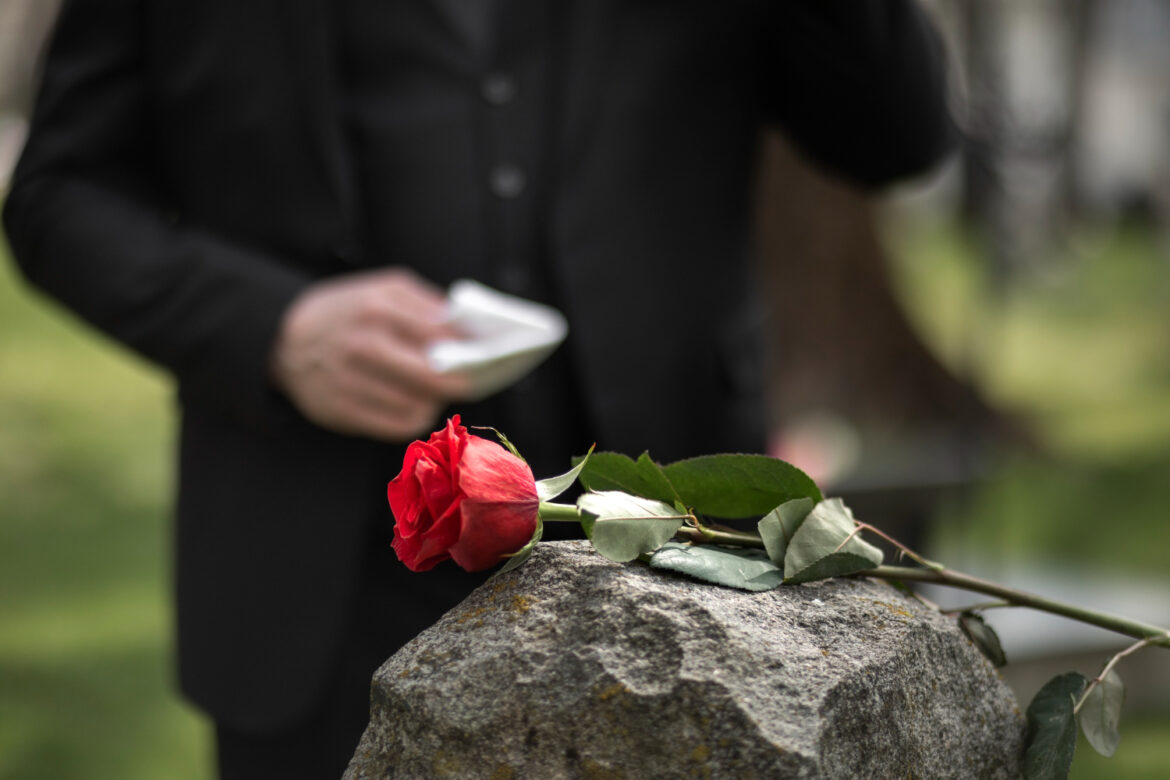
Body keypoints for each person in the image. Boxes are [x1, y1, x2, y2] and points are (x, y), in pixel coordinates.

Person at [3, 0, 955, 776]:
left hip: (684, 542)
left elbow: (896, 132)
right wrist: (271, 330)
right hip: (312, 578)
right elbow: (59, 194)